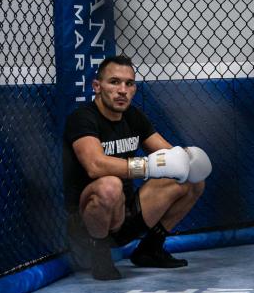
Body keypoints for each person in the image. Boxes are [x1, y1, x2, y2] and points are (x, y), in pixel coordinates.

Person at [62, 55, 210, 280]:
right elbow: (94, 165)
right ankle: (100, 254)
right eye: (114, 82)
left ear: (134, 89)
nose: (122, 90)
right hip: (88, 222)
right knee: (110, 186)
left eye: (128, 84)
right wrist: (148, 166)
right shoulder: (82, 118)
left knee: (191, 180)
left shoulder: (133, 117)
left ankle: (150, 249)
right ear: (97, 86)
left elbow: (170, 155)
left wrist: (188, 158)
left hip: (126, 214)